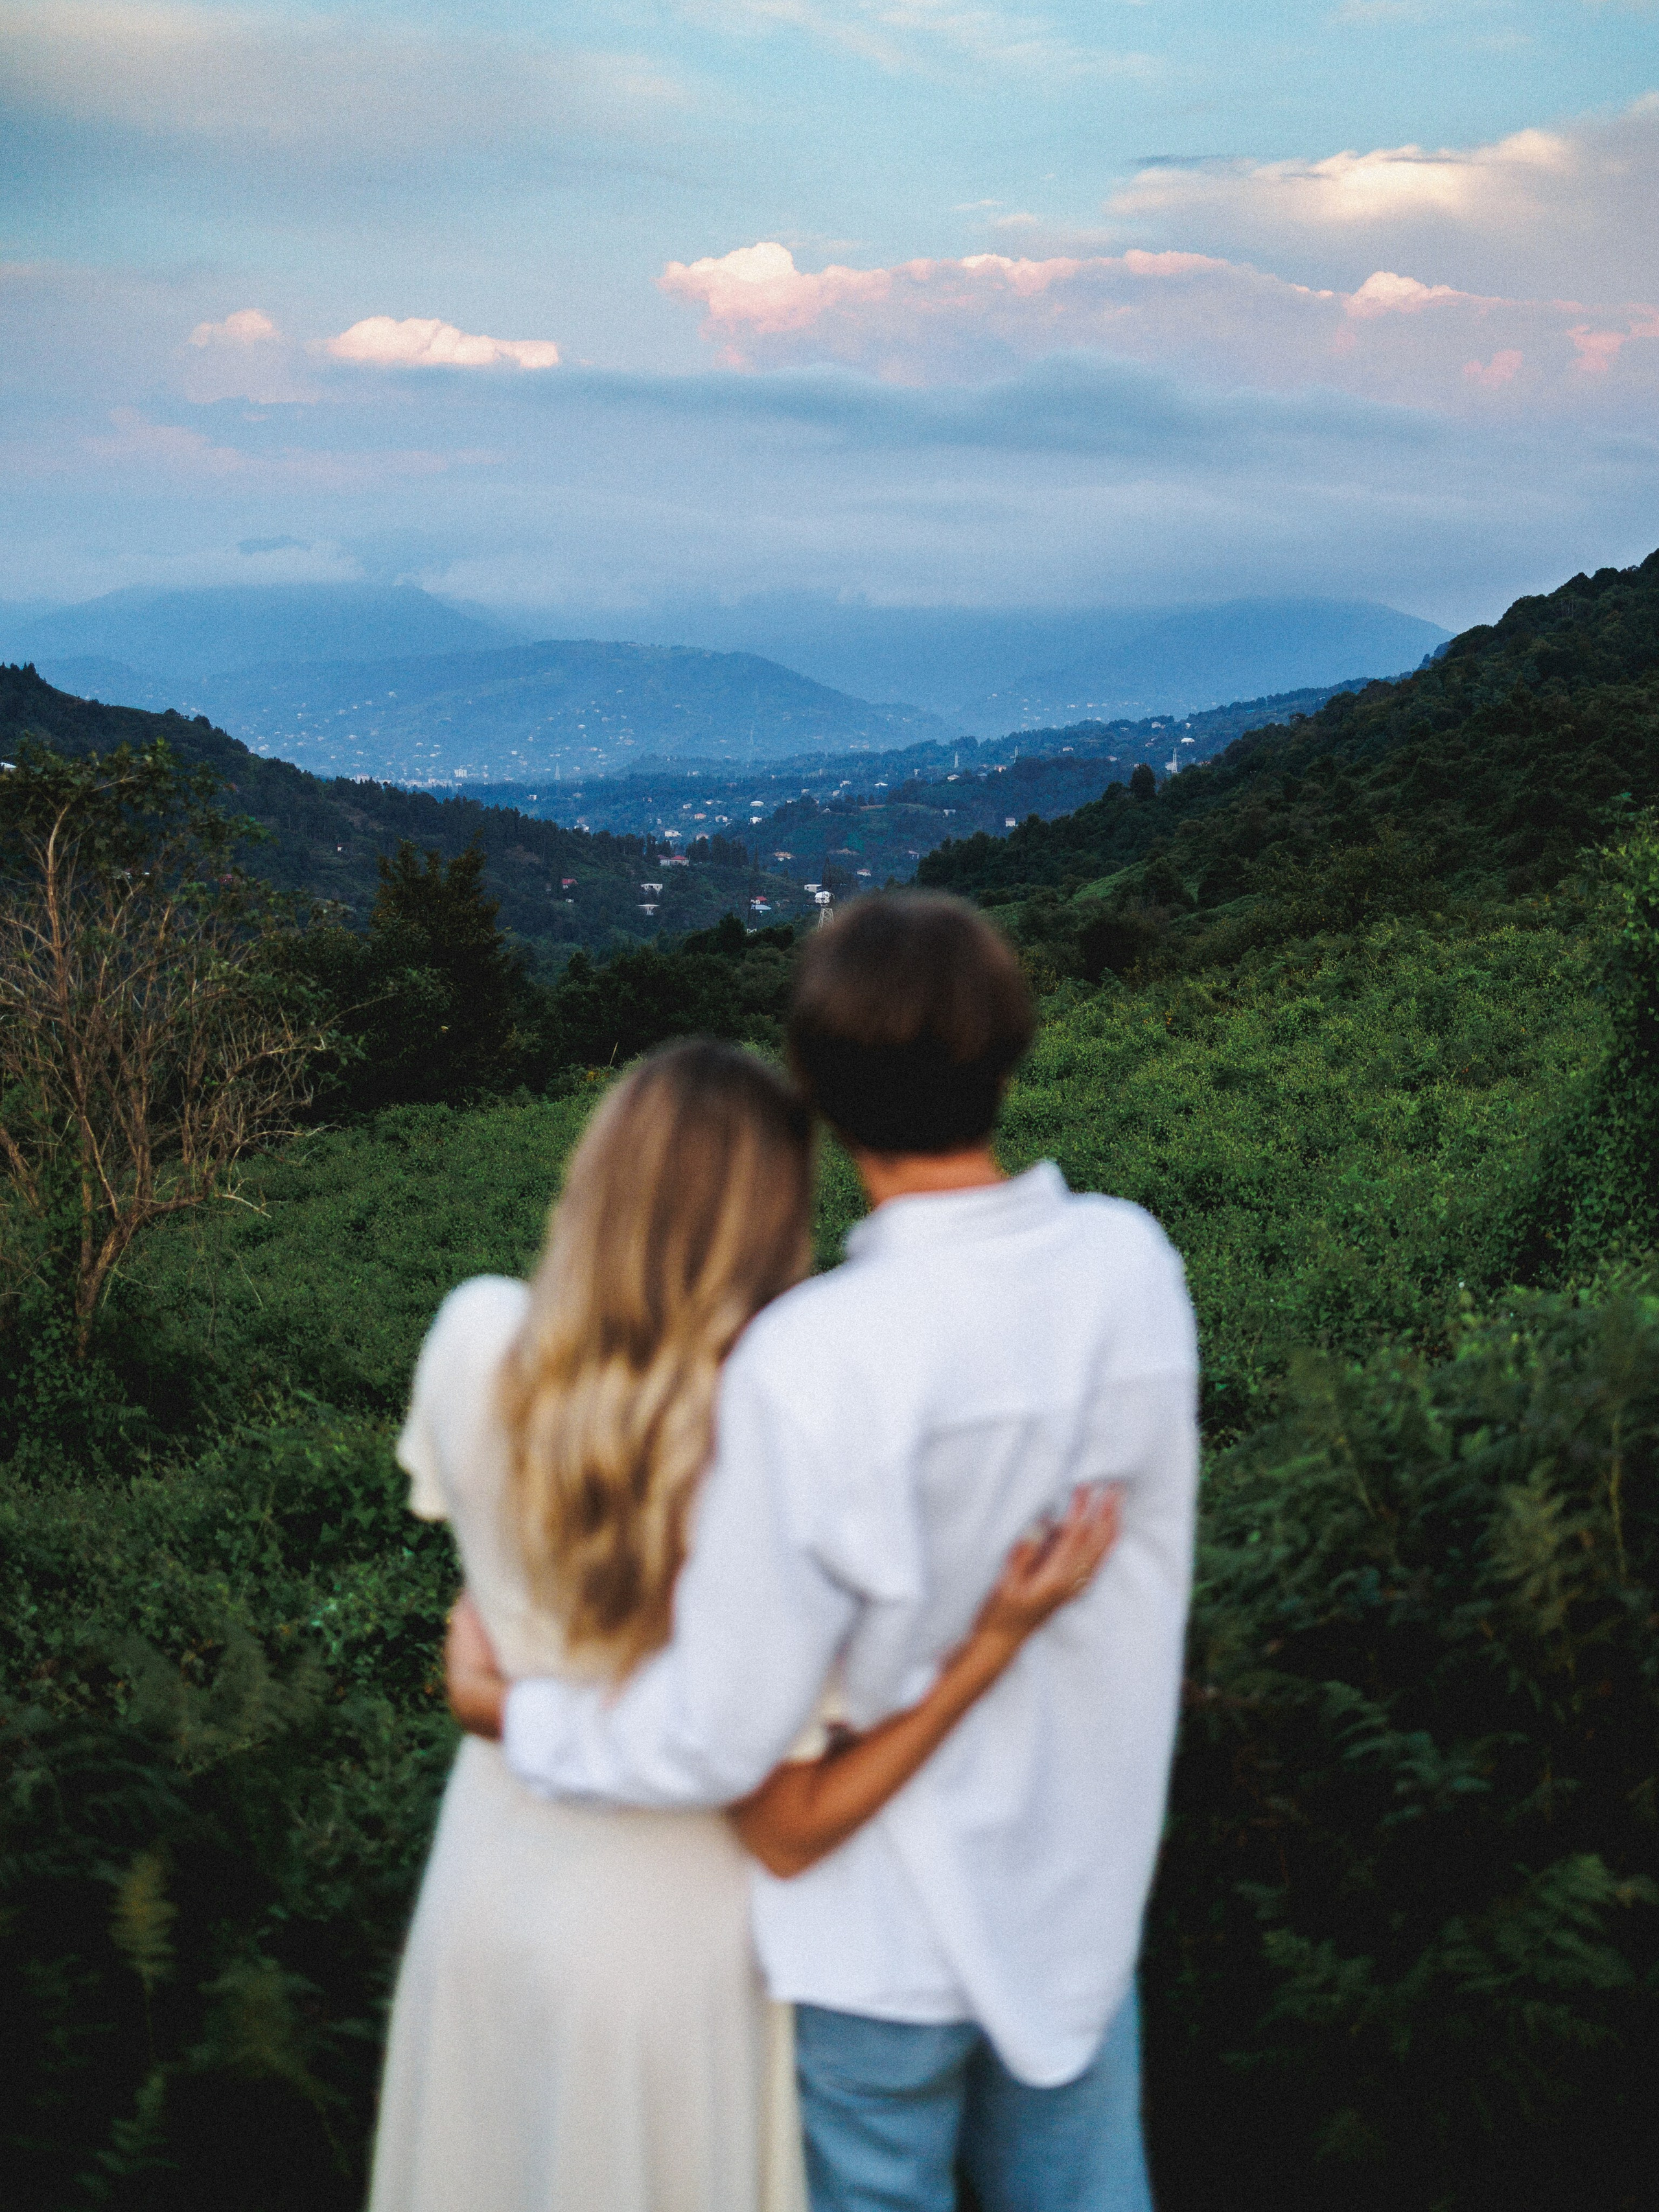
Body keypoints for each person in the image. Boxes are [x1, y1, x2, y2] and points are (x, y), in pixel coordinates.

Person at [450, 892, 1201, 2212]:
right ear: (1008, 1047)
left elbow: (721, 1735)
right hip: (1076, 1903)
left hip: (875, 1939)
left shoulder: (810, 1362)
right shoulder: (1131, 1269)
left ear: (813, 1090)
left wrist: (519, 1715)